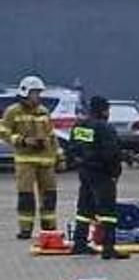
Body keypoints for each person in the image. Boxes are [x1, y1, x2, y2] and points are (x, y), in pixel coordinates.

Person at [2, 76, 59, 239]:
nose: (37, 96)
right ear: (25, 92)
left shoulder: (44, 111)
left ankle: (49, 228)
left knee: (49, 195)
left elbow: (52, 134)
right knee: (26, 196)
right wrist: (22, 141)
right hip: (25, 161)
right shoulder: (13, 111)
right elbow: (4, 131)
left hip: (46, 160)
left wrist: (59, 156)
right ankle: (25, 229)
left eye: (39, 93)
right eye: (35, 92)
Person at [68, 96, 123, 259]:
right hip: (102, 174)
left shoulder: (79, 125)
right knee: (108, 211)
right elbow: (111, 154)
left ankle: (79, 243)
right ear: (104, 110)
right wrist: (115, 173)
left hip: (84, 172)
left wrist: (81, 162)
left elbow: (72, 148)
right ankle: (108, 247)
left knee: (84, 208)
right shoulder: (105, 128)